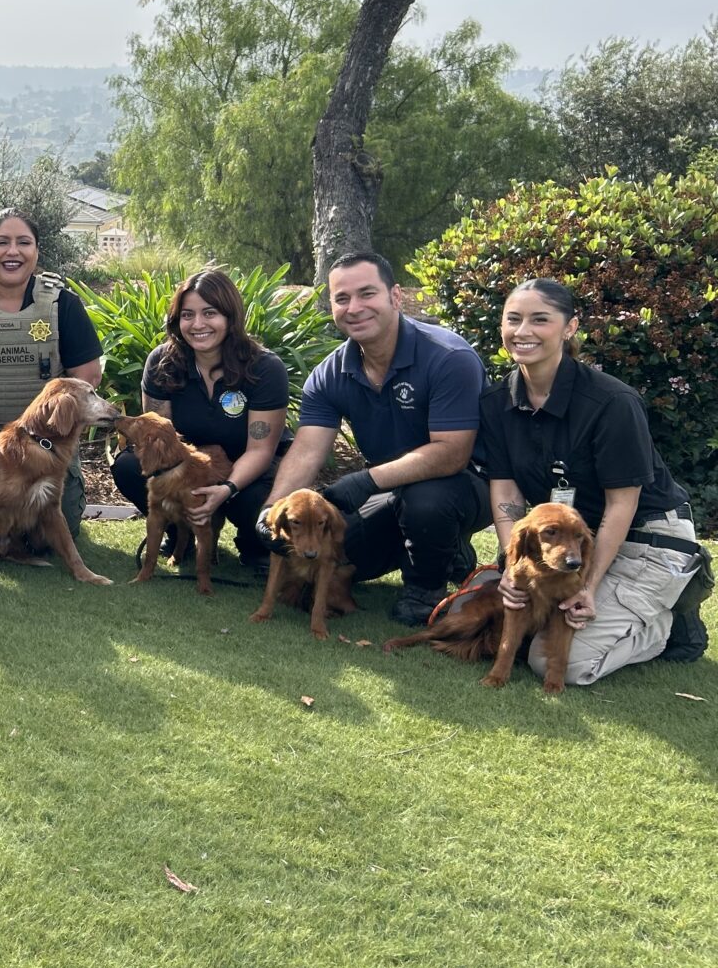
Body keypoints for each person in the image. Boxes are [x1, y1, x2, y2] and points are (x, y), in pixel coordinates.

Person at [478, 278, 708, 682]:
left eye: (540, 320)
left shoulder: (611, 403)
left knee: (557, 664)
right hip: (571, 540)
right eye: (513, 319)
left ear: (569, 328)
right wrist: (511, 564)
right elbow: (506, 489)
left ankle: (665, 626)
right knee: (514, 626)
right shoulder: (498, 402)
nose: (523, 331)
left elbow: (623, 504)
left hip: (645, 536)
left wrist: (587, 583)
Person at [260, 251, 488, 626]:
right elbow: (307, 451)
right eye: (342, 298)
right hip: (389, 487)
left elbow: (452, 453)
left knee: (426, 501)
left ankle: (425, 588)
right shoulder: (330, 372)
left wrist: (366, 480)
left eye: (367, 294)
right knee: (336, 548)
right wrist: (272, 507)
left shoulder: (448, 357)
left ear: (395, 297)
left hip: (465, 484)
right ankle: (446, 553)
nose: (354, 307)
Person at [0, 207, 106, 535]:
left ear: (36, 251)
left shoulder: (63, 305)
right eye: (2, 242)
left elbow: (88, 379)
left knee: (53, 532)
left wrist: (56, 442)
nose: (13, 252)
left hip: (47, 447)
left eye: (23, 242)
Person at [110, 268, 288, 576]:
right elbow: (159, 438)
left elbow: (260, 450)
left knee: (257, 500)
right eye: (188, 315)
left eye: (210, 313)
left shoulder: (264, 367)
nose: (198, 324)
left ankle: (253, 543)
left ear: (230, 317)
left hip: (249, 468)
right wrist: (194, 477)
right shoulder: (162, 362)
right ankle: (180, 535)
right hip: (191, 466)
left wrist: (226, 488)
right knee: (129, 467)